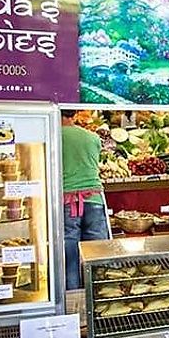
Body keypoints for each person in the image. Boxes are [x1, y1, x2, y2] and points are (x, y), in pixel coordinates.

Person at [60, 110, 109, 290]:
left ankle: (73, 296)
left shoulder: (54, 135)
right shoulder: (93, 137)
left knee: (70, 253)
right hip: (94, 198)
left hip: (67, 199)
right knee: (96, 252)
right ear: (73, 115)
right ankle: (99, 293)